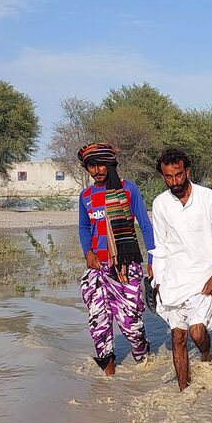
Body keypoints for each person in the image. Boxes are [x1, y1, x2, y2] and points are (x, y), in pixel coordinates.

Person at [149, 148, 212, 391]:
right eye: (168, 177)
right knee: (178, 337)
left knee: (196, 333)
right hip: (174, 279)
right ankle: (184, 392)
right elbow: (160, 246)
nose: (174, 181)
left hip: (203, 277)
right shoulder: (160, 204)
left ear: (188, 171)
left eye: (178, 175)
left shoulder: (208, 197)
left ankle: (205, 355)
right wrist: (158, 281)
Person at [76, 143, 156, 376]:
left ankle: (143, 364)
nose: (98, 170)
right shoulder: (86, 196)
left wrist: (153, 259)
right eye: (92, 165)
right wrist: (88, 253)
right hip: (97, 269)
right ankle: (108, 379)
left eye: (102, 164)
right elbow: (83, 227)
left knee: (131, 323)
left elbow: (145, 225)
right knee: (99, 323)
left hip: (125, 267)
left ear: (111, 164)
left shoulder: (128, 190)